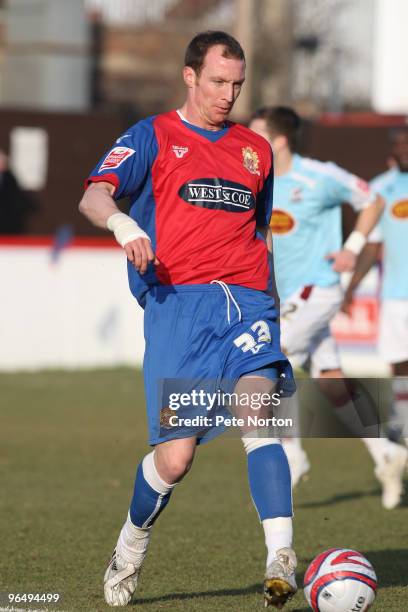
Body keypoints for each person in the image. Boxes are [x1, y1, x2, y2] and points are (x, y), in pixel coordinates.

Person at [80, 32, 297, 608]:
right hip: (179, 308)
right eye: (219, 82)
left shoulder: (256, 150)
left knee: (258, 410)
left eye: (238, 85)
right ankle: (132, 541)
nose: (228, 95)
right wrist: (125, 226)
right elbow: (95, 195)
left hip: (247, 302)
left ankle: (281, 553)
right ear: (190, 76)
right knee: (175, 459)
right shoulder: (151, 136)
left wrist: (273, 310)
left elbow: (260, 236)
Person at [249, 107, 408, 509]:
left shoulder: (319, 176)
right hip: (283, 297)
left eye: (257, 133)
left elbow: (372, 200)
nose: (249, 140)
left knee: (273, 358)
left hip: (317, 290)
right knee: (332, 380)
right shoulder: (257, 181)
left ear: (280, 140)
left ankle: (293, 456)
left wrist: (352, 249)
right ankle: (386, 455)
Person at [344, 127, 408, 455]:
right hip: (396, 294)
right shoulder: (382, 189)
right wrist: (351, 287)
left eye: (406, 143)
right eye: (397, 145)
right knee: (399, 361)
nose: (403, 149)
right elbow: (372, 246)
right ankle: (404, 420)